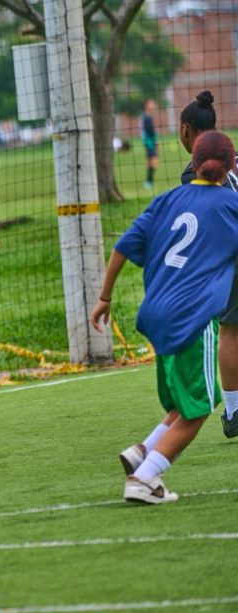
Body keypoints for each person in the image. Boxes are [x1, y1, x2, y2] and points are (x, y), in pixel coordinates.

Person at [91, 131, 238, 504]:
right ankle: (144, 478)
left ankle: (142, 451)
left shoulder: (167, 199)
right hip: (192, 315)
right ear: (231, 166)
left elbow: (122, 247)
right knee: (199, 408)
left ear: (193, 163)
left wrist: (105, 298)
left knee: (186, 398)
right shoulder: (230, 204)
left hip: (156, 313)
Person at [175, 91, 238, 439]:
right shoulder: (234, 157)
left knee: (230, 329)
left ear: (185, 129)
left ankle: (234, 410)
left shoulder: (194, 171)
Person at [140, 99, 158, 189]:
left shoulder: (144, 116)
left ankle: (148, 182)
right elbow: (150, 132)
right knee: (153, 162)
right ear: (146, 106)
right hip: (150, 143)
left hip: (148, 142)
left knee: (151, 162)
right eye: (152, 104)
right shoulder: (147, 117)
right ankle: (148, 182)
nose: (153, 105)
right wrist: (155, 142)